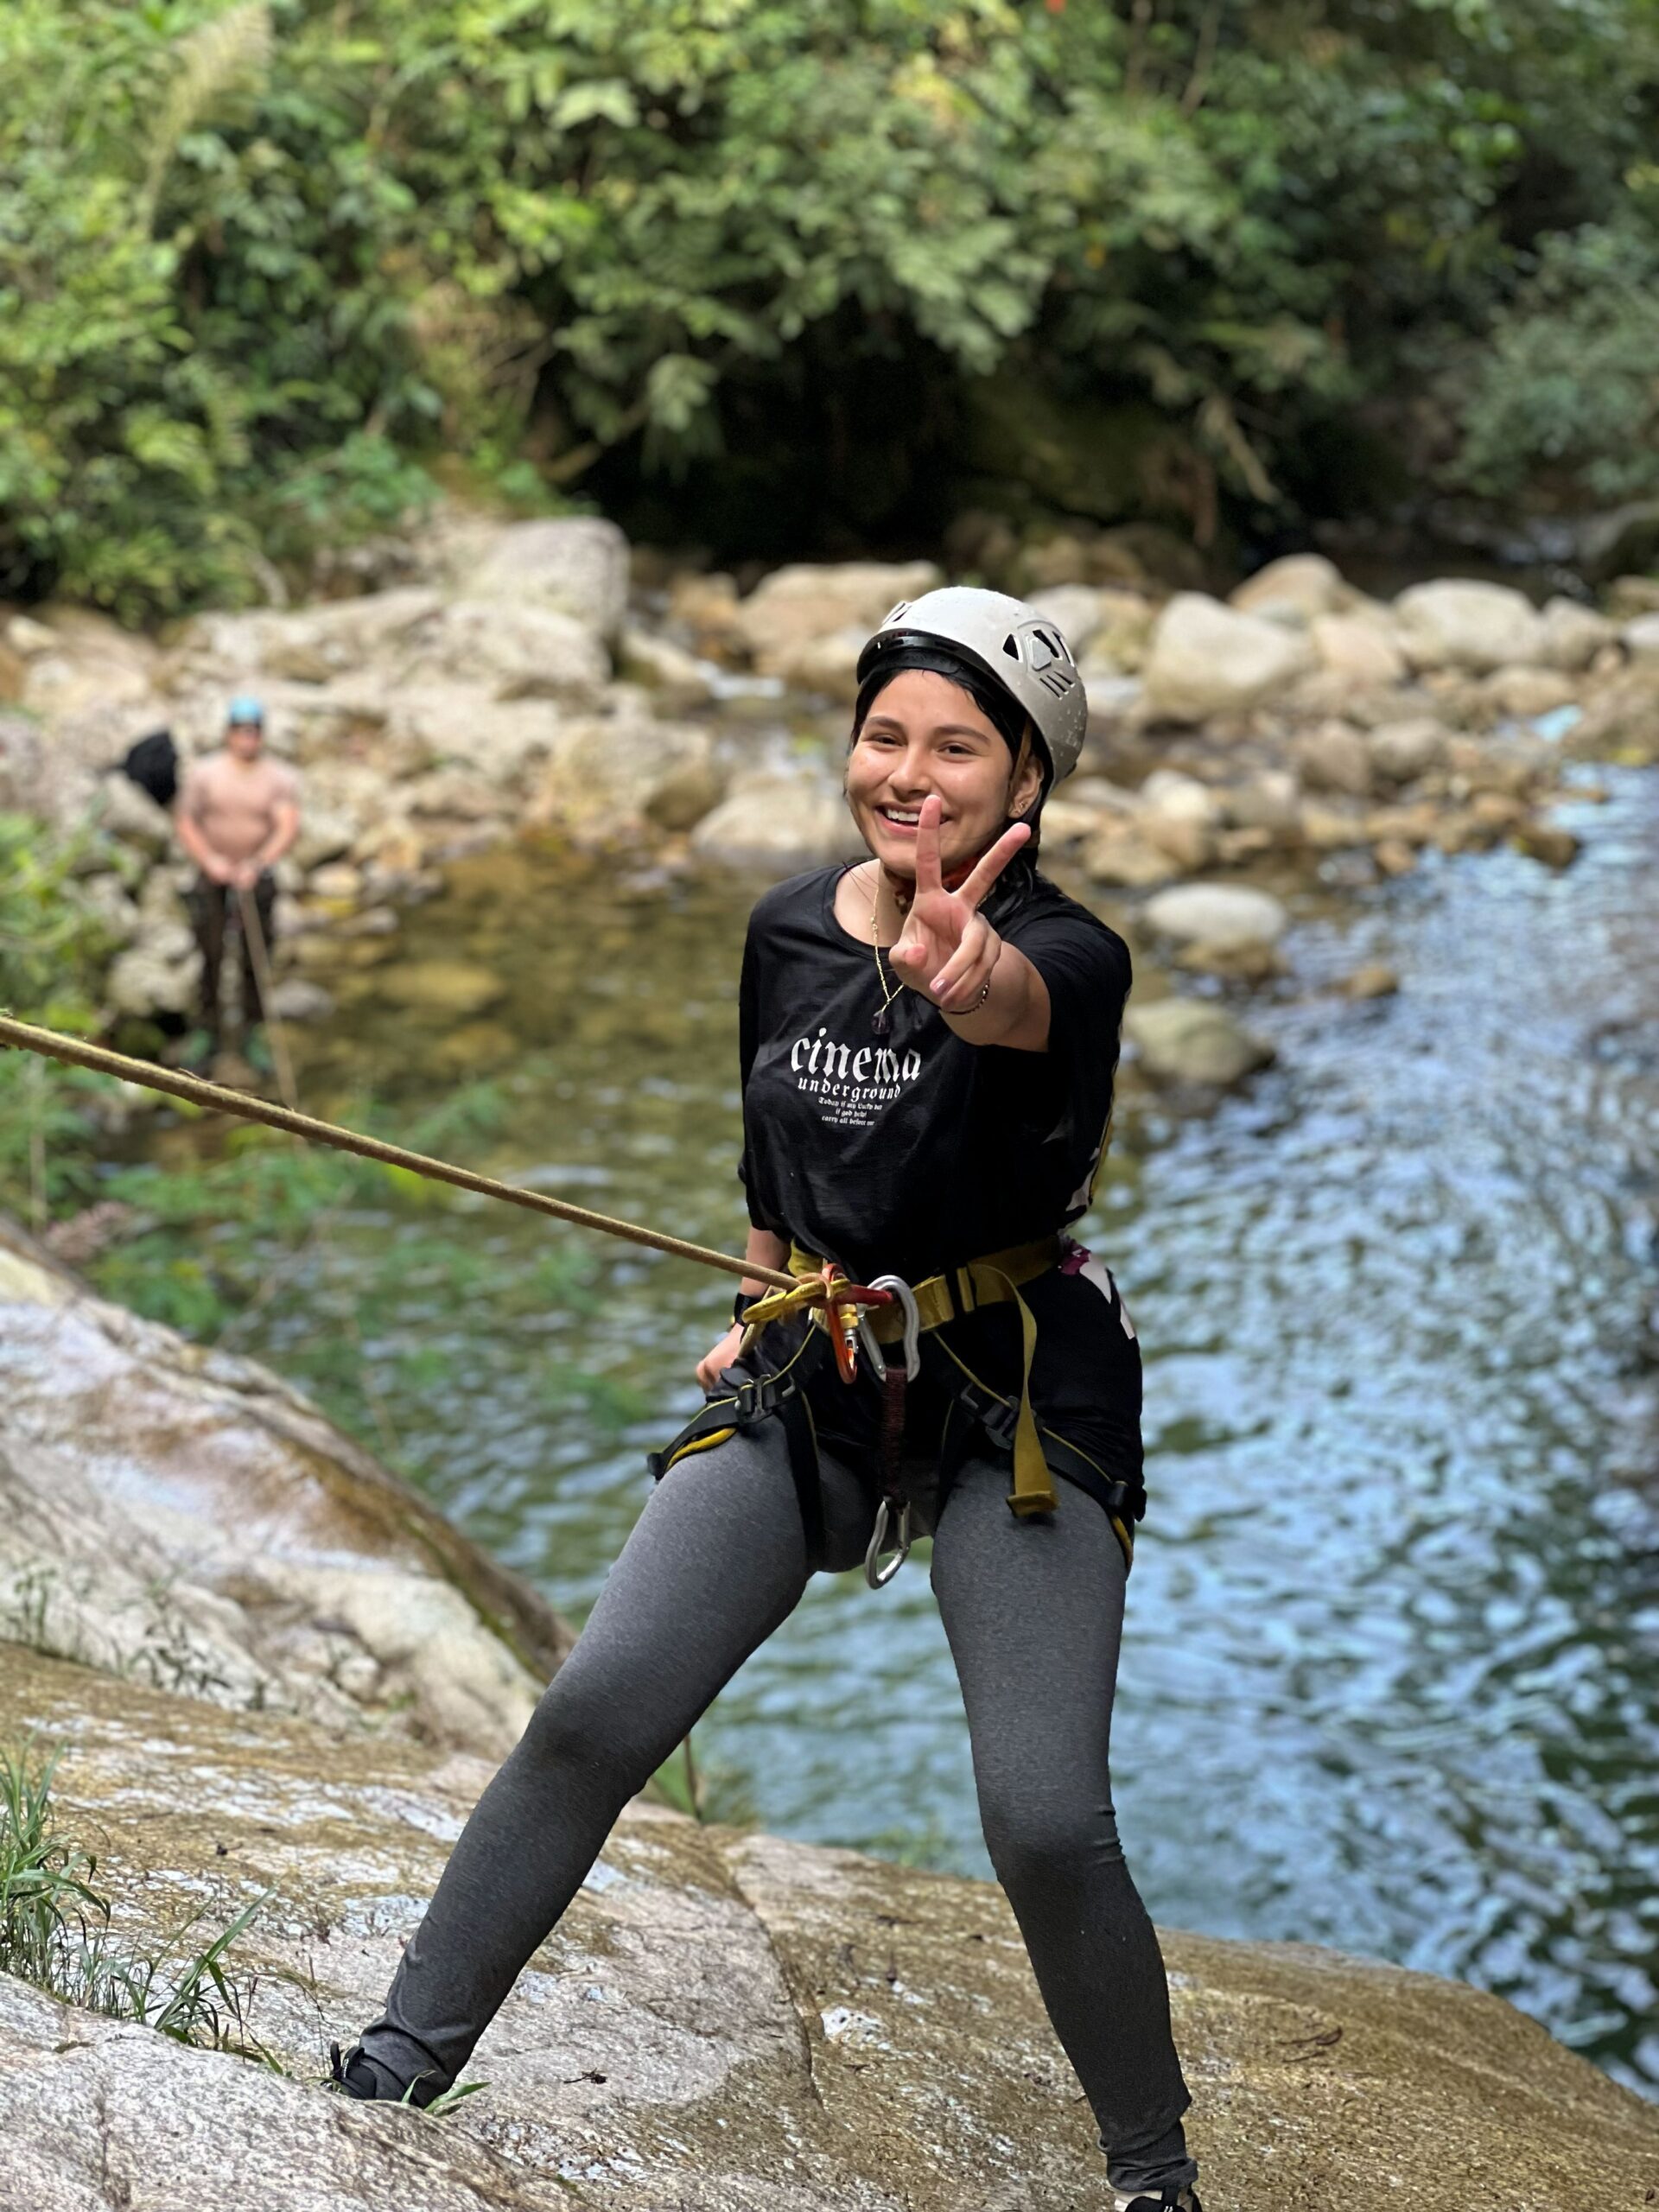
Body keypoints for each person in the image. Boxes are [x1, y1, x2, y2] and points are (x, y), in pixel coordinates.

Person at [330, 588, 1202, 2212]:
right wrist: (751, 1310)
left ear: (1029, 785)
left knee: (1042, 1818)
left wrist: (970, 976)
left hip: (1008, 1387)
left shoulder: (1072, 959)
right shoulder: (787, 930)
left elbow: (1019, 1009)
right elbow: (767, 1168)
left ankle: (1153, 2174)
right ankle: (401, 2055)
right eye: (886, 736)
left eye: (960, 748)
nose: (911, 774)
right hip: (815, 1366)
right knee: (597, 1705)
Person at [175, 696, 301, 1060]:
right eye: (241, 731)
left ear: (261, 735)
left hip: (255, 875)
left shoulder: (277, 777)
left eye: (254, 731)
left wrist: (259, 862)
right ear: (229, 733)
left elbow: (286, 825)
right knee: (210, 949)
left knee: (256, 955)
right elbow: (187, 821)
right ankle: (208, 1026)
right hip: (213, 873)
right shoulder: (206, 773)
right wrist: (209, 860)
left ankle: (253, 1030)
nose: (247, 738)